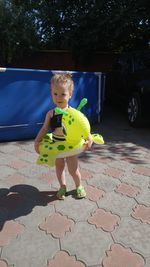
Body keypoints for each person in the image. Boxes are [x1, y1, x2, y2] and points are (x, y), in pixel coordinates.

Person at [34, 73, 93, 200]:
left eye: (63, 94)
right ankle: (62, 186)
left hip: (71, 146)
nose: (58, 97)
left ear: (70, 95)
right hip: (57, 146)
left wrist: (89, 137)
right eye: (55, 94)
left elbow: (82, 126)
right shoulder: (51, 114)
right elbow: (44, 129)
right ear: (51, 94)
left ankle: (79, 186)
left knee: (73, 169)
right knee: (59, 168)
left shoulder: (74, 113)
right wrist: (37, 141)